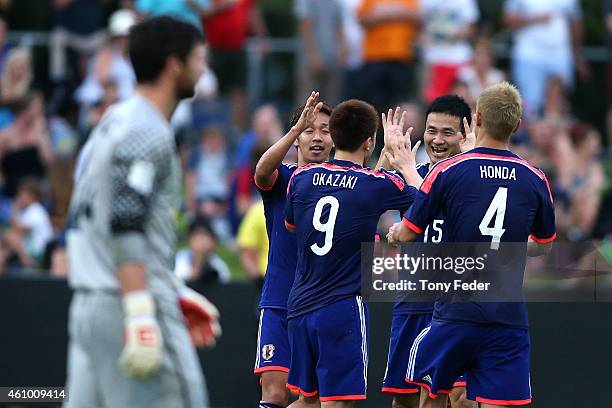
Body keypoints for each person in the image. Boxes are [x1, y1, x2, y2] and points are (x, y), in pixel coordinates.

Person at [64, 16, 220, 408]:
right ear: (174, 64)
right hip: (126, 302)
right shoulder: (146, 130)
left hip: (90, 303)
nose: (203, 68)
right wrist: (140, 311)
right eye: (198, 58)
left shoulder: (113, 120)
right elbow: (125, 222)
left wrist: (172, 286)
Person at [387, 82, 556, 408]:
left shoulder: (448, 171)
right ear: (517, 126)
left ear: (476, 120)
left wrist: (395, 234)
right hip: (506, 315)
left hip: (455, 311)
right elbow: (544, 245)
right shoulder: (535, 178)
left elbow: (408, 231)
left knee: (431, 399)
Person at [283, 99, 419, 406]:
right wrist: (406, 164)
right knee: (339, 402)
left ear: (333, 134)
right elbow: (425, 200)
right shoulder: (376, 184)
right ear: (370, 142)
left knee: (309, 400)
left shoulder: (300, 179)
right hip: (340, 307)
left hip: (300, 305)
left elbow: (292, 226)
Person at [381, 96, 475, 408]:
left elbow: (441, 200)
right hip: (411, 303)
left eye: (447, 132)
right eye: (431, 130)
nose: (437, 140)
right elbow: (367, 194)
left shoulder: (472, 179)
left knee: (458, 397)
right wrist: (385, 153)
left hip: (453, 305)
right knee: (404, 400)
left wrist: (408, 170)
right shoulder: (412, 171)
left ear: (464, 134)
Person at [252, 92, 334, 408]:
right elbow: (261, 172)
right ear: (297, 138)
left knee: (312, 398)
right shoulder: (283, 177)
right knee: (273, 392)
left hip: (320, 303)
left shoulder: (343, 185)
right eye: (308, 129)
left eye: (325, 130)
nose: (316, 137)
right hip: (279, 301)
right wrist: (292, 131)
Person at [503, 0, 587, 117]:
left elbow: (576, 23)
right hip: (529, 55)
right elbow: (508, 19)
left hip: (560, 55)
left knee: (560, 104)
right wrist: (534, 19)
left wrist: (577, 56)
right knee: (530, 107)